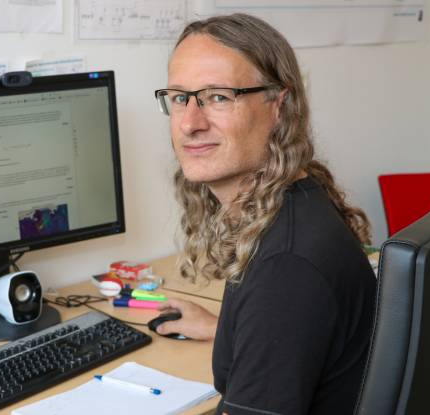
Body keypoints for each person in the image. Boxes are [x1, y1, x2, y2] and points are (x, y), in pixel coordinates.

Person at [152, 14, 376, 415]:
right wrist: (228, 329)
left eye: (219, 97)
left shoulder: (287, 266)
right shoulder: (295, 204)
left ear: (279, 106)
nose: (190, 123)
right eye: (179, 97)